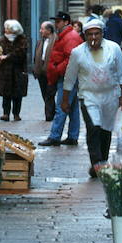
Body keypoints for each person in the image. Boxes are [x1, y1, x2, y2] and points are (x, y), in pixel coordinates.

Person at [61, 19, 122, 178]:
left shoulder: (114, 48)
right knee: (93, 128)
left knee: (105, 130)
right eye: (89, 34)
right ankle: (96, 162)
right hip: (88, 96)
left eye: (96, 33)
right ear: (84, 35)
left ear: (102, 33)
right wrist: (65, 100)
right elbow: (69, 78)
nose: (93, 37)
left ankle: (103, 161)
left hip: (110, 96)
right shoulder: (77, 52)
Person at [40, 11, 82, 146]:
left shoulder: (70, 37)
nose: (56, 24)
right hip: (69, 76)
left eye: (58, 21)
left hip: (67, 77)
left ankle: (55, 136)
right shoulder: (66, 36)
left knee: (62, 106)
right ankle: (72, 136)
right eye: (55, 21)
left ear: (66, 22)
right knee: (73, 107)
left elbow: (71, 59)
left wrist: (57, 69)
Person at [0, 19, 29, 121]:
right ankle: (6, 113)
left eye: (8, 29)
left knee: (18, 94)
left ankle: (16, 114)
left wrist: (7, 57)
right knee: (6, 94)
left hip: (18, 71)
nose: (6, 30)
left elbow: (21, 54)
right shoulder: (1, 40)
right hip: (5, 71)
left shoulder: (22, 40)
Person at [33, 21, 57, 121]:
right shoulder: (40, 41)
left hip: (51, 70)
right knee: (44, 93)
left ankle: (49, 115)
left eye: (42, 29)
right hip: (41, 70)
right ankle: (52, 111)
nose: (40, 31)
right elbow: (36, 56)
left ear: (49, 30)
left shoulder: (56, 40)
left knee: (50, 93)